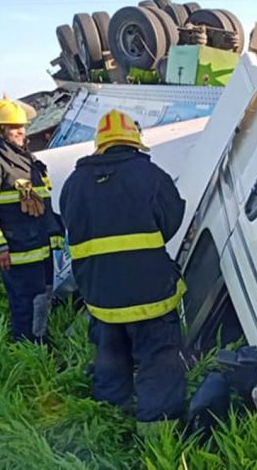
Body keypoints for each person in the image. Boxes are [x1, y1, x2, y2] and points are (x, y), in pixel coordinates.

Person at [58, 109, 187, 426]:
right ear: (134, 142)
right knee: (158, 360)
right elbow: (171, 220)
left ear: (100, 145)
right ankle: (158, 433)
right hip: (150, 292)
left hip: (101, 295)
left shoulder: (74, 183)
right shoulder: (151, 176)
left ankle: (111, 422)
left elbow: (71, 227)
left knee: (110, 358)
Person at [0, 97, 63, 343]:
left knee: (42, 298)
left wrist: (54, 233)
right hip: (17, 250)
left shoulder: (25, 158)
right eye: (13, 127)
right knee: (26, 303)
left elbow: (42, 203)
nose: (20, 131)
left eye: (22, 126)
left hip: (39, 246)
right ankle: (27, 348)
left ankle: (40, 343)